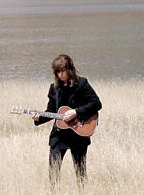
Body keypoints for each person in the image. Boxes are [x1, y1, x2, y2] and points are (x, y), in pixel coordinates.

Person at [34, 53, 101, 184]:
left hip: (79, 133)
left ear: (70, 69)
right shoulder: (54, 88)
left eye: (63, 71)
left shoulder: (82, 84)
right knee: (53, 173)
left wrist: (76, 112)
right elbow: (52, 111)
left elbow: (97, 103)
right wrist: (38, 119)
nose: (60, 75)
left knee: (81, 173)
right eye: (57, 72)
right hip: (59, 136)